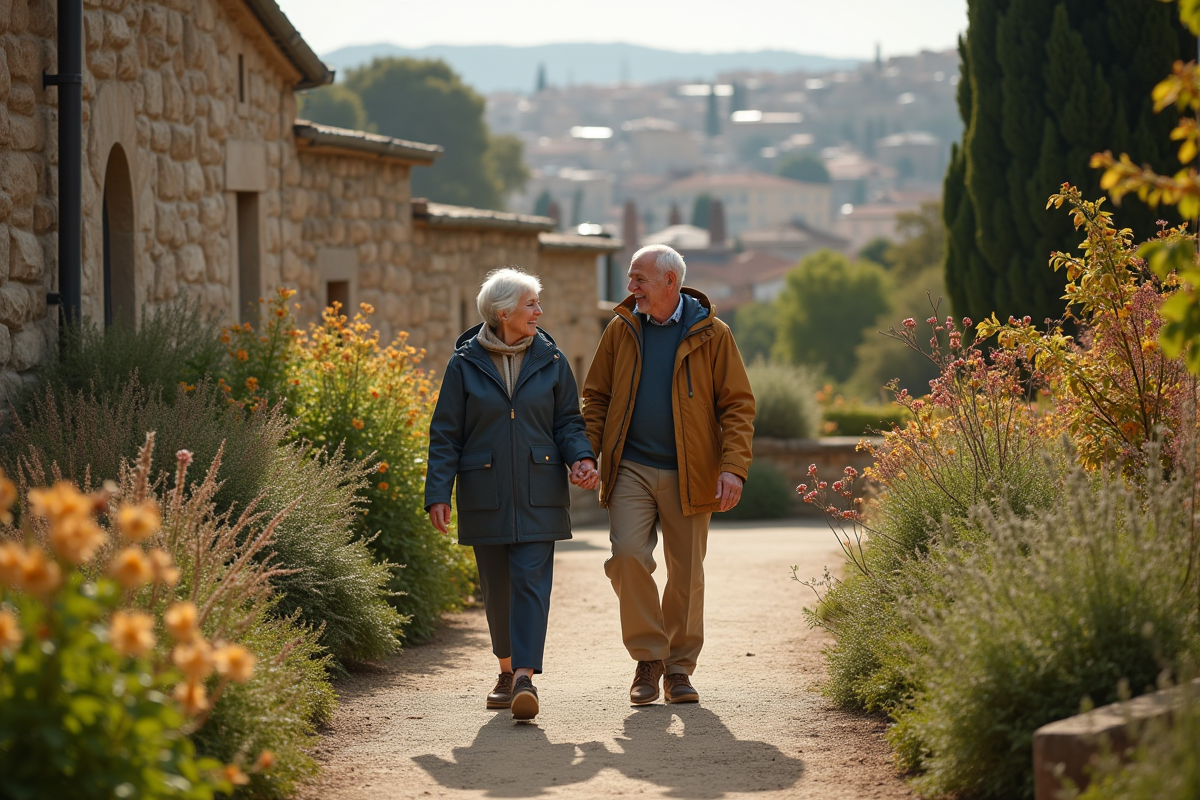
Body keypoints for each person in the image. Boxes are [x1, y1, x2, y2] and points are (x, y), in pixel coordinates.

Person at [581, 244, 755, 705]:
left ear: (669, 282)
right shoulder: (620, 331)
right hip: (631, 468)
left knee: (685, 574)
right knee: (626, 557)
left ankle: (679, 670)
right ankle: (649, 658)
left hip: (691, 471)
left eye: (639, 279)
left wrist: (733, 468)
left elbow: (738, 406)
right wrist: (585, 452)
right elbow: (595, 397)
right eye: (631, 278)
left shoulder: (713, 335)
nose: (630, 287)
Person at [425, 267, 598, 721]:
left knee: (530, 583)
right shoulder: (463, 364)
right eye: (531, 304)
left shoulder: (554, 360)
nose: (539, 311)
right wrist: (437, 492)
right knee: (497, 587)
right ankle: (505, 671)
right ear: (503, 313)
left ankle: (523, 677)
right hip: (486, 492)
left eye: (537, 303)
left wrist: (581, 457)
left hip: (540, 490)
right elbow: (446, 434)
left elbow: (568, 423)